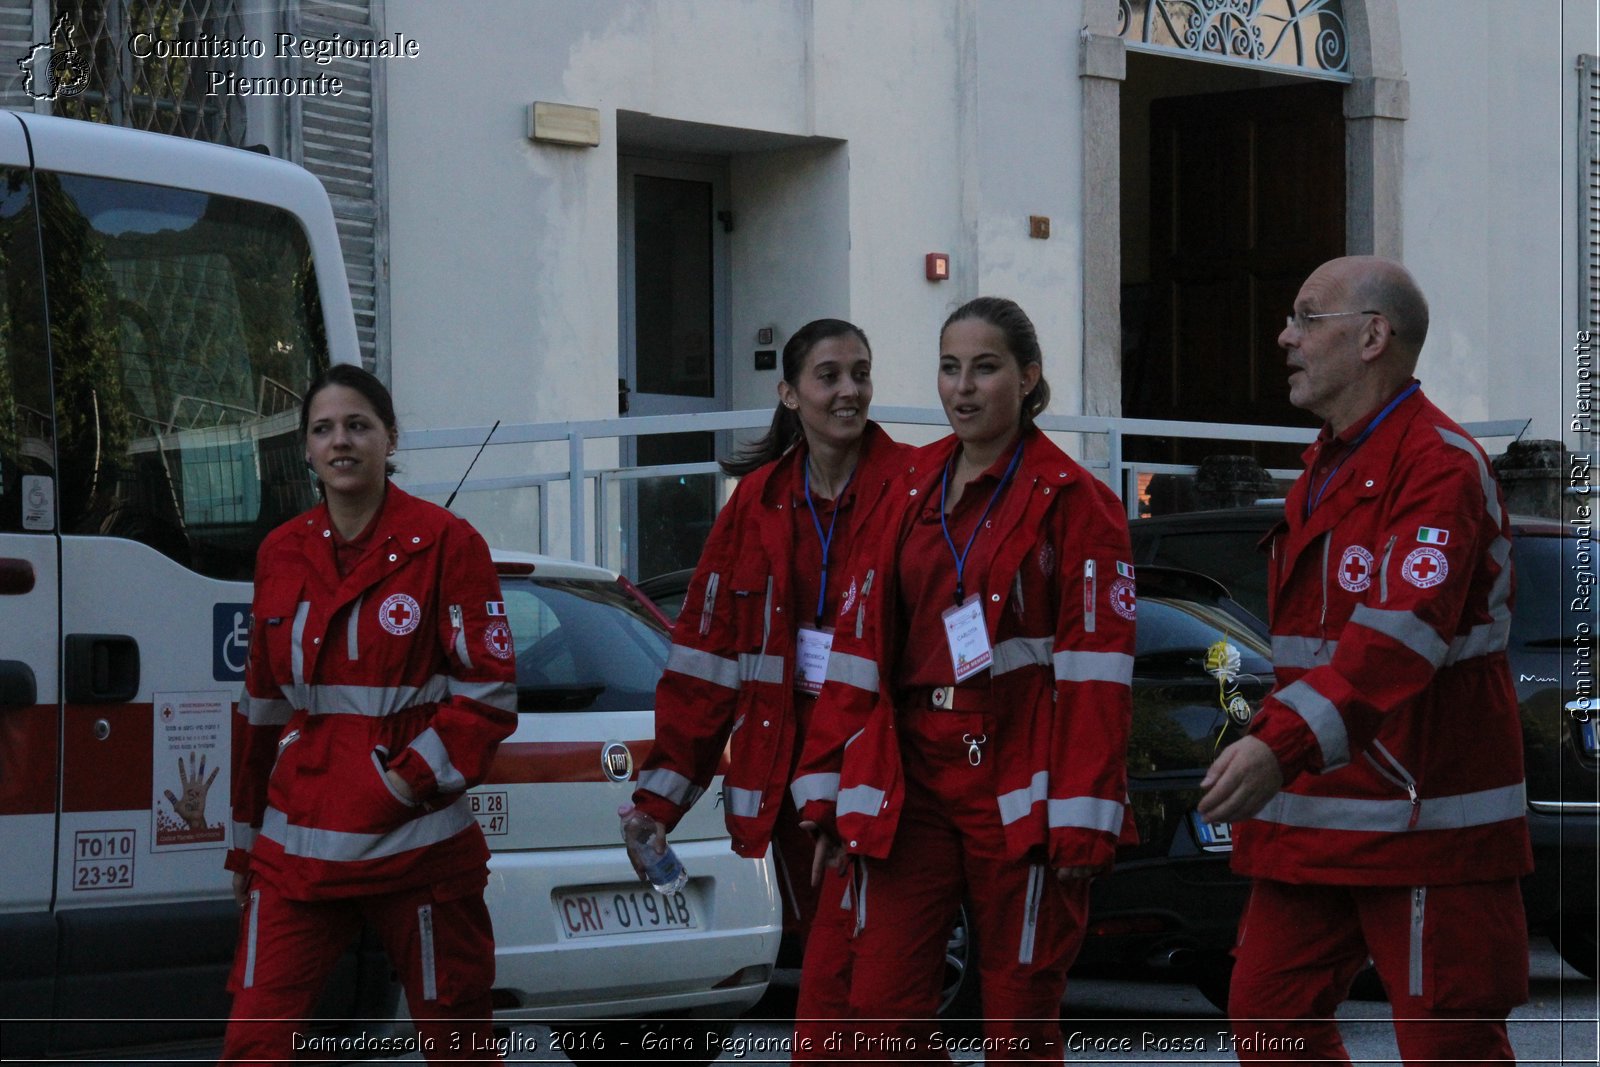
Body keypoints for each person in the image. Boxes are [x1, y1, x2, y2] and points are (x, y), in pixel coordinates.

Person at [1198, 256, 1531, 1064]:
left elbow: (1395, 643)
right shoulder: (1330, 460)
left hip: (1424, 817)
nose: (1285, 337)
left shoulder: (1440, 465)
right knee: (1268, 1015)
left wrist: (1275, 745)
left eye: (1307, 318)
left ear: (1373, 336)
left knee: (1450, 1047)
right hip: (1320, 810)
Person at [792, 297, 1136, 1062]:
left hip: (1018, 781)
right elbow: (855, 652)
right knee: (879, 1011)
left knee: (1018, 1021)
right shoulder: (906, 483)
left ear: (1029, 376)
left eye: (985, 368)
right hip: (909, 773)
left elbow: (1098, 678)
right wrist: (824, 787)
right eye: (950, 368)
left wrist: (1083, 814)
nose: (963, 388)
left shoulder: (1078, 502)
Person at [626, 319, 911, 1054]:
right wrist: (659, 800)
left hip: (885, 775)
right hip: (789, 779)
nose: (849, 391)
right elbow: (704, 664)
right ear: (789, 392)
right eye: (829, 375)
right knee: (848, 983)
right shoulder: (753, 504)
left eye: (861, 373)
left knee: (854, 990)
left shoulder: (913, 489)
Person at [221, 364, 517, 1064]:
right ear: (305, 450)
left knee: (461, 1047)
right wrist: (243, 843)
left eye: (358, 425)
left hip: (418, 850)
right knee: (252, 1044)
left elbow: (488, 694)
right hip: (298, 855)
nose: (341, 441)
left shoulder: (449, 543)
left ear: (390, 438)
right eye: (324, 429)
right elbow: (259, 708)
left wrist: (402, 782)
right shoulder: (280, 552)